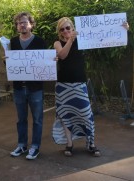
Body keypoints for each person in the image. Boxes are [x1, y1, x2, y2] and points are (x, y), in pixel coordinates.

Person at [52, 17, 129, 157]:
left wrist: (122, 30)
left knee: (87, 115)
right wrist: (70, 40)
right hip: (63, 85)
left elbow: (103, 38)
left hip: (79, 83)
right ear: (59, 32)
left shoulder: (83, 40)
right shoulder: (58, 42)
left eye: (68, 28)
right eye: (62, 29)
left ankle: (91, 144)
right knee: (64, 115)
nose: (65, 31)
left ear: (73, 28)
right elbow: (62, 55)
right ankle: (69, 144)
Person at [8, 12, 46, 160]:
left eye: (24, 22)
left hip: (35, 88)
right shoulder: (13, 42)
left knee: (37, 119)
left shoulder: (40, 41)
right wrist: (7, 60)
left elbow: (44, 63)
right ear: (17, 26)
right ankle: (22, 145)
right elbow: (11, 64)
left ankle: (35, 147)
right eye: (19, 23)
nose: (22, 25)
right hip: (18, 88)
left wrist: (51, 60)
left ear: (31, 24)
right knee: (21, 119)